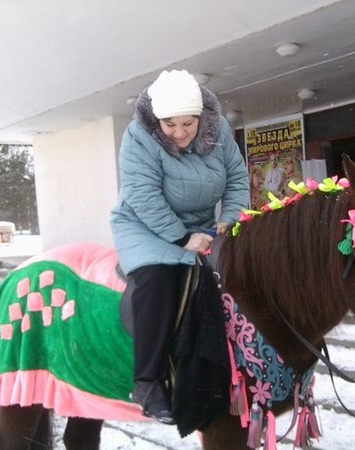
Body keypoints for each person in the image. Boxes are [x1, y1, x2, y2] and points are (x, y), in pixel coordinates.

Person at [110, 69, 250, 424]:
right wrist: (181, 238)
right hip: (144, 225)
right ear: (157, 121)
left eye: (187, 124)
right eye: (170, 125)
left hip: (202, 224)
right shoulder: (139, 137)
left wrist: (230, 217)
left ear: (201, 117)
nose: (179, 133)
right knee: (160, 278)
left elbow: (236, 176)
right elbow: (143, 195)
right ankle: (148, 381)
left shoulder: (218, 131)